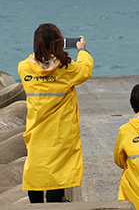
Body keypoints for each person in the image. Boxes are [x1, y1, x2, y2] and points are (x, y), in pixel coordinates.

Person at [18, 24, 94, 203]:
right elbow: (85, 70)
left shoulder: (24, 68)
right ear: (58, 43)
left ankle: (35, 207)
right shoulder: (65, 69)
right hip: (60, 133)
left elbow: (37, 65)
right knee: (57, 176)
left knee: (34, 174)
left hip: (36, 130)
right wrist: (82, 51)